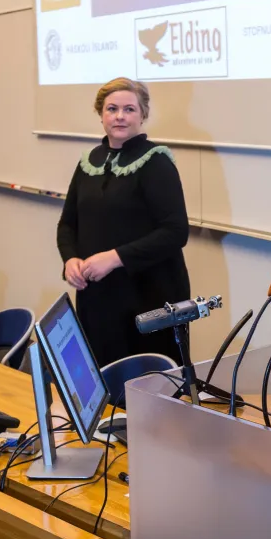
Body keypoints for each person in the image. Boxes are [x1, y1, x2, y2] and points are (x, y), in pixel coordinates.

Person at [57, 77, 190, 367]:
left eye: (129, 109)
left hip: (148, 298)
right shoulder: (89, 162)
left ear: (143, 115)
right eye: (112, 109)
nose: (120, 116)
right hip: (98, 298)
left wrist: (115, 258)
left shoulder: (156, 162)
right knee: (103, 377)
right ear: (101, 114)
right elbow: (67, 225)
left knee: (146, 389)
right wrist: (70, 260)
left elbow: (176, 231)